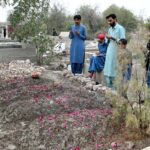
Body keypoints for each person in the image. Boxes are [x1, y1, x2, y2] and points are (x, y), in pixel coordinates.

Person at [104, 14, 126, 89]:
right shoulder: (110, 29)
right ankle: (109, 89)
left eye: (110, 20)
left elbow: (123, 42)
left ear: (115, 19)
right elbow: (108, 41)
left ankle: (116, 91)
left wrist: (113, 38)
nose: (109, 22)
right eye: (108, 21)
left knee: (115, 71)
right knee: (108, 69)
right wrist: (106, 38)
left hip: (117, 52)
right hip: (110, 51)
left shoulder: (120, 28)